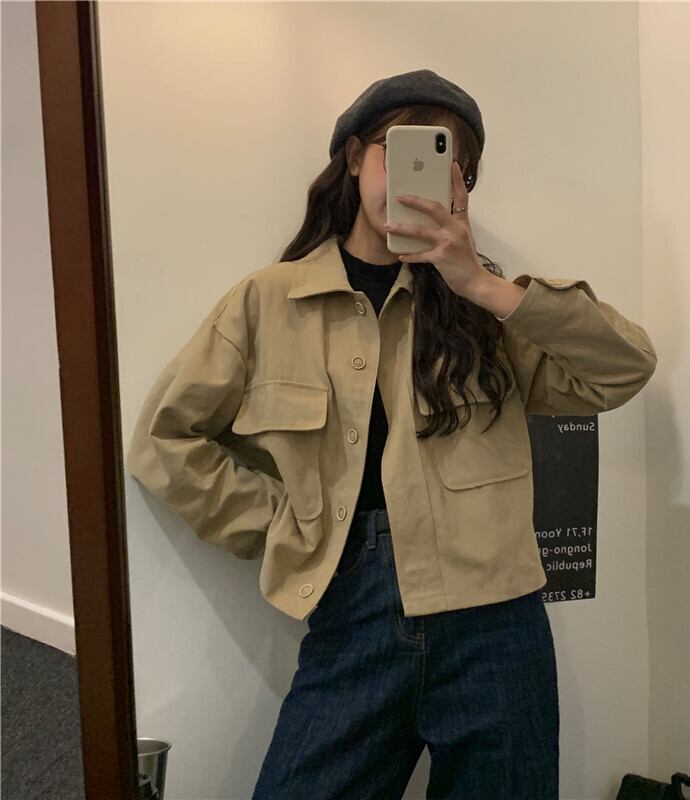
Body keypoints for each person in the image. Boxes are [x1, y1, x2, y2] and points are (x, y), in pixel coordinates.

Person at [127, 68, 657, 799]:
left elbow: (624, 370)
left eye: (447, 164)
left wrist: (482, 284)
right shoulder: (270, 302)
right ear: (354, 156)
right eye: (401, 151)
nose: (418, 178)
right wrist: (286, 525)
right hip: (352, 612)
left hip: (496, 620)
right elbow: (164, 442)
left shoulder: (486, 312)